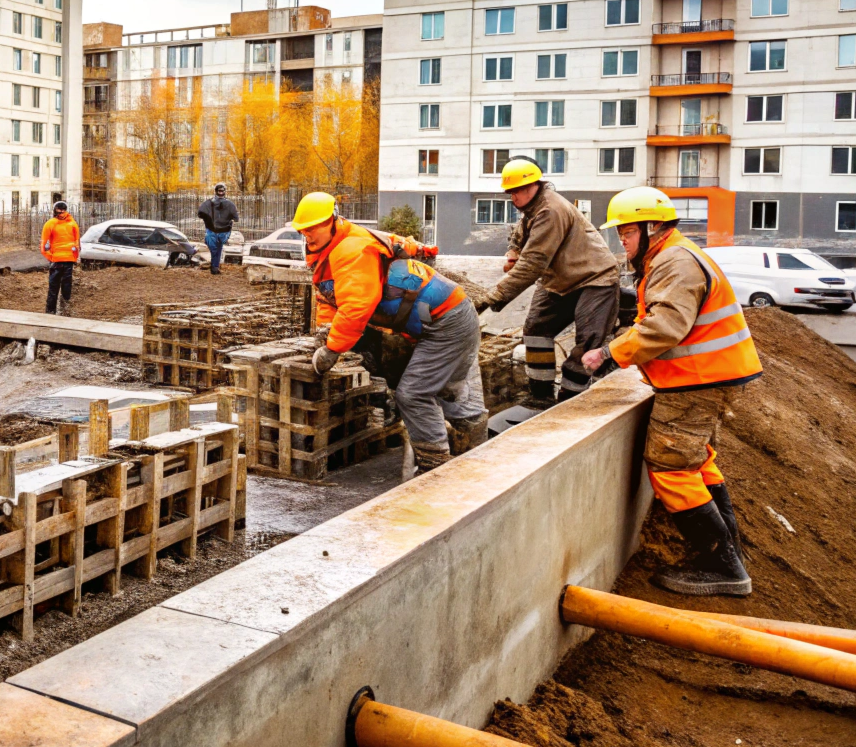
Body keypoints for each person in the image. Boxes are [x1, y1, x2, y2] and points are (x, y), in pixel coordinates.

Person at [578, 187, 760, 597]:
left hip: (695, 380)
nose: (620, 241)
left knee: (672, 466)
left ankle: (721, 567)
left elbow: (664, 328)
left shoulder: (675, 262)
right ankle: (730, 551)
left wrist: (610, 352)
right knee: (696, 463)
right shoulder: (672, 256)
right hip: (704, 376)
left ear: (651, 227)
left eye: (625, 232)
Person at [295, 191, 486, 473]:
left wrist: (332, 349)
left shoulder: (351, 249)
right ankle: (468, 459)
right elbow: (329, 299)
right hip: (436, 320)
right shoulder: (332, 251)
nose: (308, 235)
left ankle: (437, 469)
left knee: (414, 394)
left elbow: (356, 307)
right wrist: (325, 333)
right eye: (303, 230)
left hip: (447, 321)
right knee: (440, 390)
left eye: (313, 228)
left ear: (333, 221)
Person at [469, 160, 622, 407]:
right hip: (560, 280)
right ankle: (540, 397)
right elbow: (520, 235)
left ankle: (568, 403)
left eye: (518, 190)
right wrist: (512, 251)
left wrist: (492, 297)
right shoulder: (533, 208)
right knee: (537, 332)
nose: (514, 197)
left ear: (535, 185)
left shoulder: (551, 210)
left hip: (595, 278)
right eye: (510, 192)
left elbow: (532, 264)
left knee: (587, 343)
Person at [41, 201, 80, 315]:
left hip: (56, 261)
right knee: (66, 286)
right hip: (69, 260)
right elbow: (77, 243)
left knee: (53, 287)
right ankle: (65, 310)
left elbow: (44, 246)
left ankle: (50, 312)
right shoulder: (73, 223)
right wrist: (75, 257)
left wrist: (51, 257)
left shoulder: (50, 223)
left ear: (54, 210)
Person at [196, 184, 238, 275]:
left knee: (215, 249)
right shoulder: (230, 204)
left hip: (212, 230)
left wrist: (208, 219)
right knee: (218, 248)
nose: (221, 193)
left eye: (221, 191)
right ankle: (215, 267)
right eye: (221, 191)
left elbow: (200, 213)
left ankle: (214, 266)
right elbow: (236, 218)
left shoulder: (208, 203)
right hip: (224, 231)